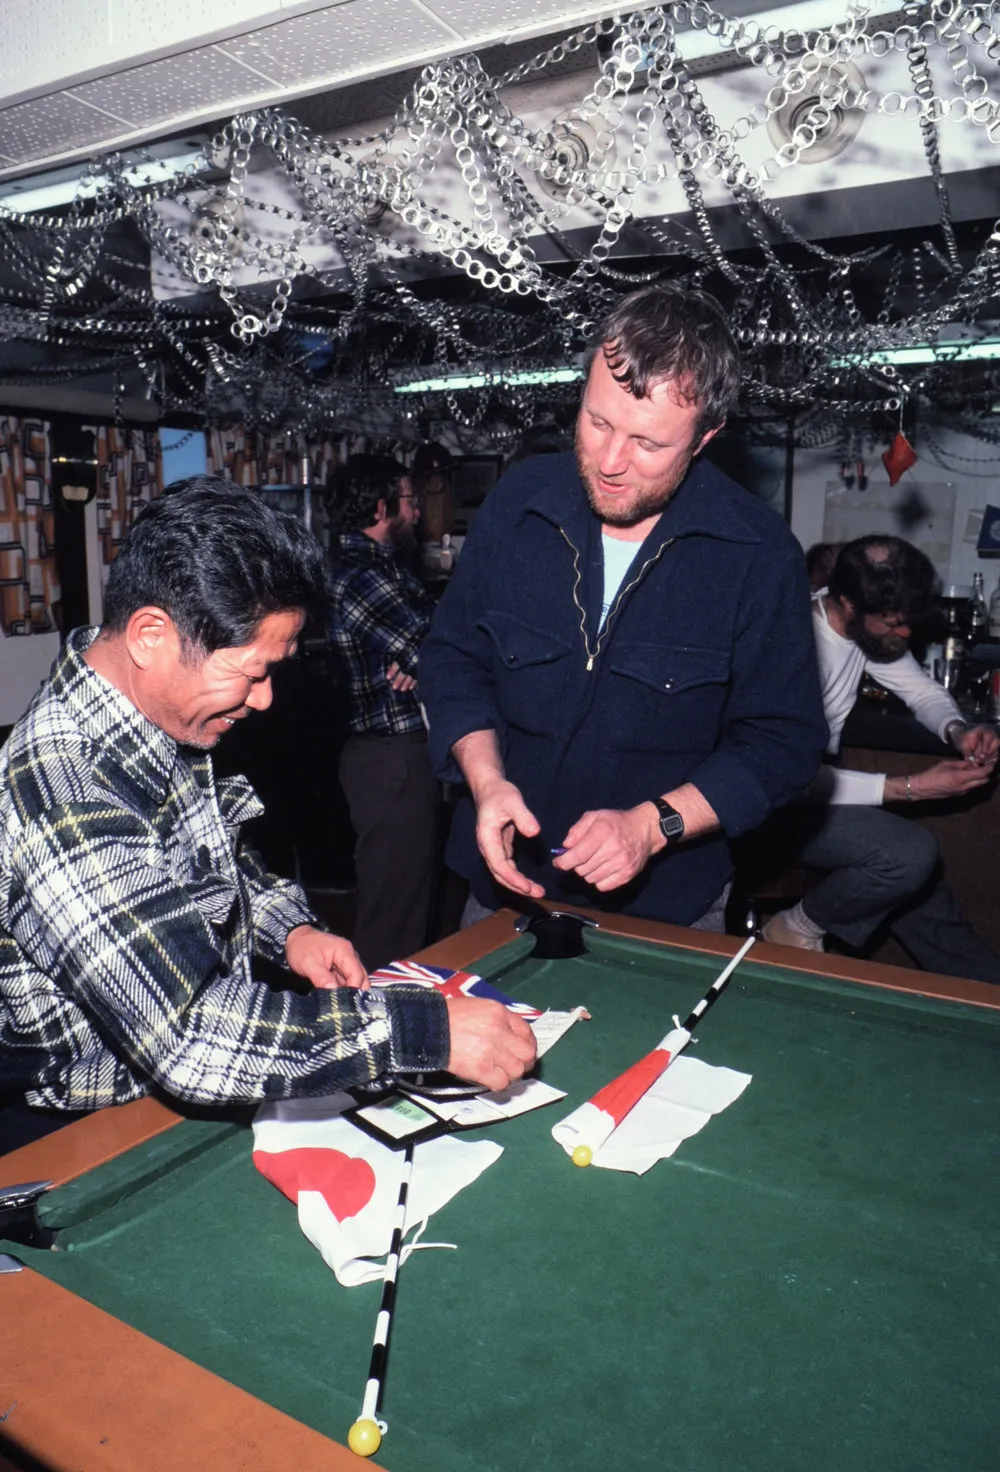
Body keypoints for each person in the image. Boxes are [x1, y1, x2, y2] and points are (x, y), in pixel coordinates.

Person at [0, 477, 535, 1149]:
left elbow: (210, 858)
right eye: (251, 672)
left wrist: (289, 931)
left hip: (181, 1095)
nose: (264, 699)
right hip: (85, 1133)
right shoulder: (63, 791)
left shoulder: (156, 714)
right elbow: (190, 1033)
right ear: (150, 635)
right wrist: (422, 1031)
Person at [419, 282, 828, 929]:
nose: (610, 462)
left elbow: (784, 744)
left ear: (705, 437)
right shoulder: (517, 504)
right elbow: (454, 663)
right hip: (503, 891)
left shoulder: (759, 553)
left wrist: (653, 825)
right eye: (598, 422)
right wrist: (486, 780)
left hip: (668, 908)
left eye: (648, 444)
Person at [761, 534, 1000, 981]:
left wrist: (959, 730)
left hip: (806, 798)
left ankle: (987, 994)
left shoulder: (857, 631)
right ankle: (792, 928)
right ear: (849, 604)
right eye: (893, 623)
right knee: (908, 853)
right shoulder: (796, 645)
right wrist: (910, 789)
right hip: (765, 812)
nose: (906, 634)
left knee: (920, 888)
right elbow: (785, 777)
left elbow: (922, 691)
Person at [326, 453, 440, 971]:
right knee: (392, 922)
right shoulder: (361, 576)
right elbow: (441, 649)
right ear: (380, 508)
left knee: (405, 911)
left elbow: (435, 642)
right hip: (390, 759)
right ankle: (376, 1016)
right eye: (409, 500)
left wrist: (424, 658)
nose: (416, 512)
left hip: (393, 756)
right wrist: (427, 658)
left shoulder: (381, 569)